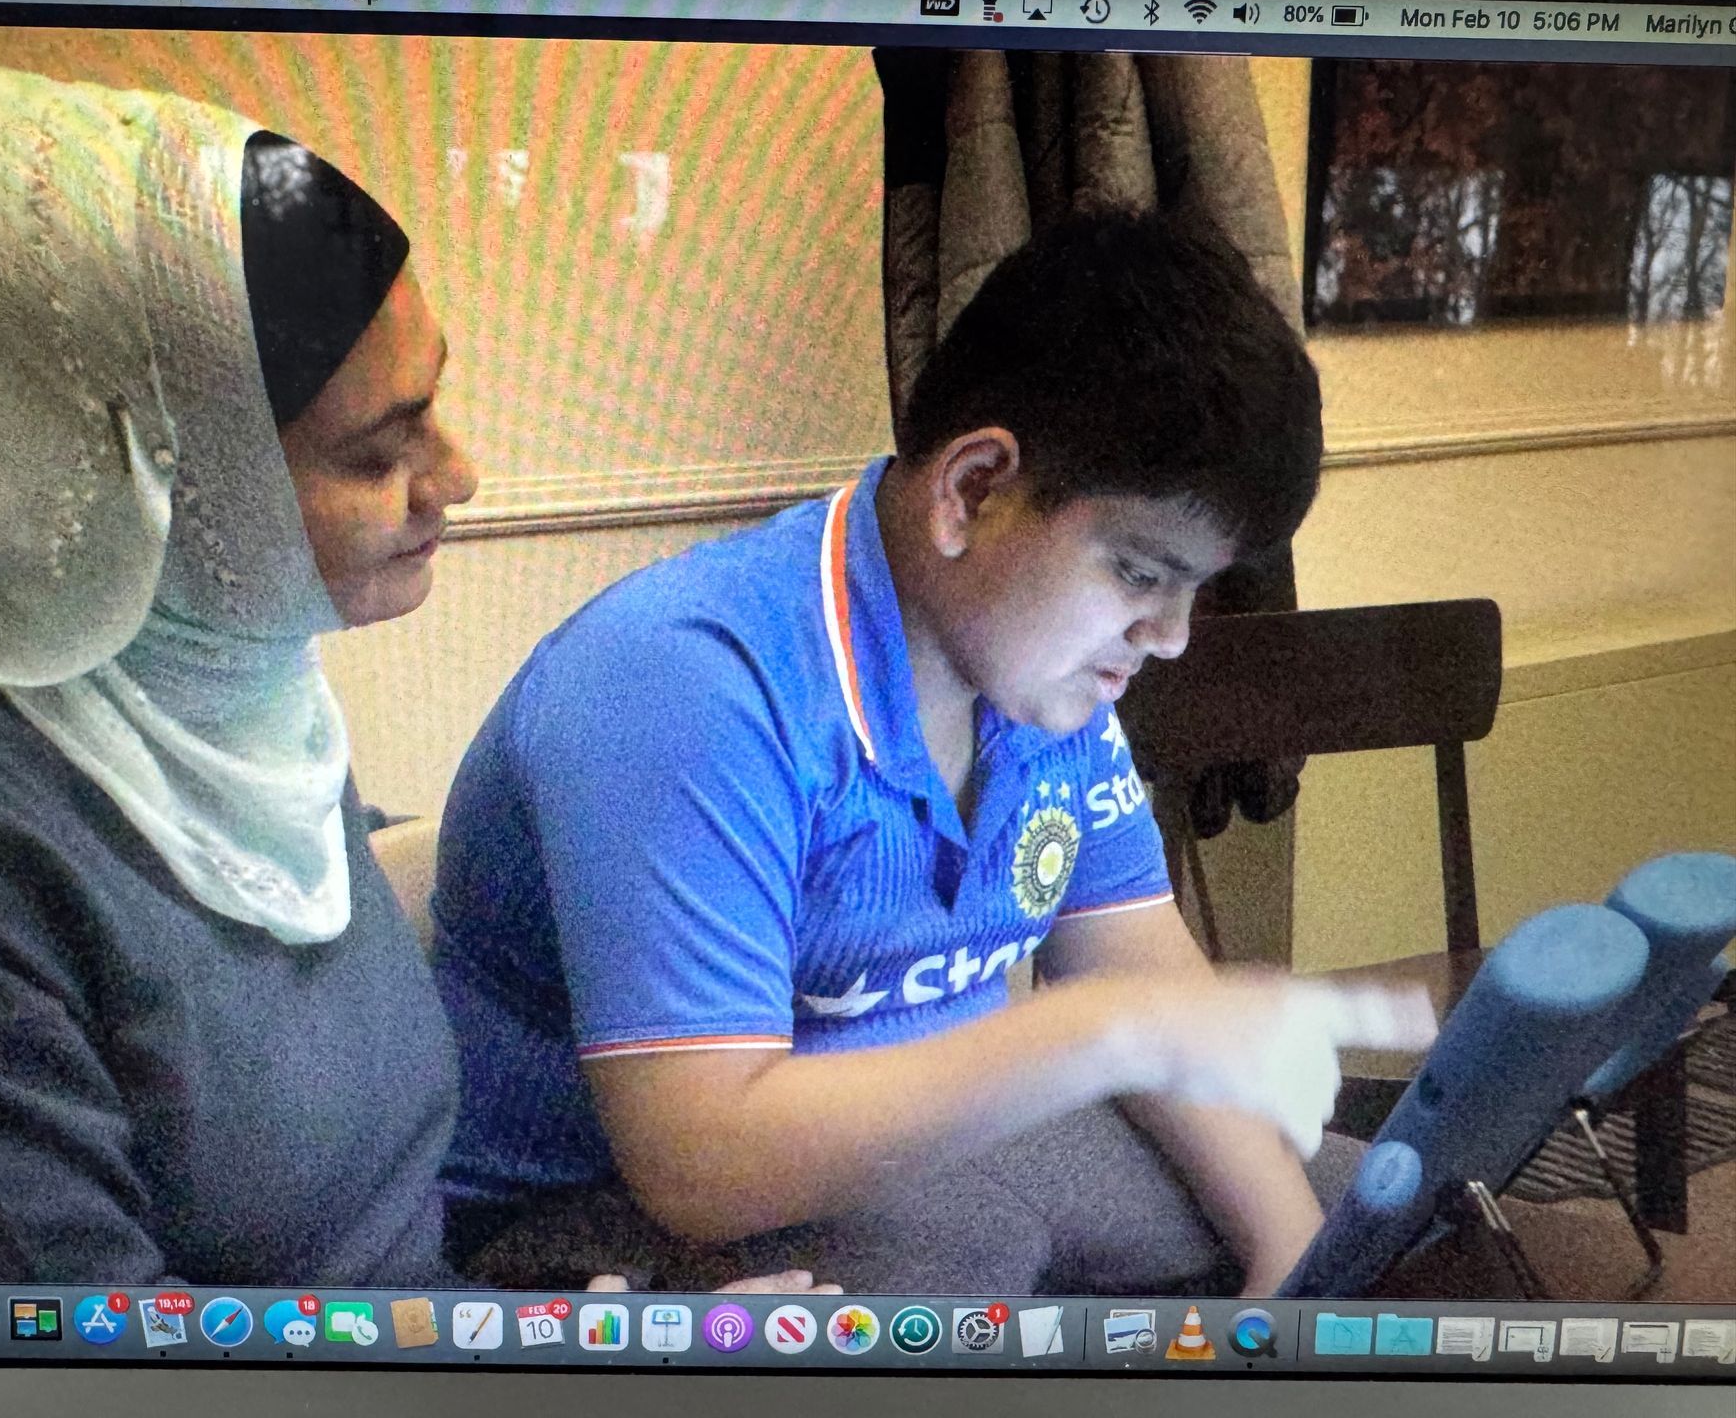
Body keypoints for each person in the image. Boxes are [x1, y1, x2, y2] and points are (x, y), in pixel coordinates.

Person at [0, 61, 836, 1299]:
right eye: (376, 450)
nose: (458, 473)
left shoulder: (224, 682)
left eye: (435, 399)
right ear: (153, 485)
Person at [431, 211, 1439, 1296]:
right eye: (1145, 575)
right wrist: (1100, 1035)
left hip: (942, 1165)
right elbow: (702, 1166)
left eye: (1197, 587)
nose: (1173, 636)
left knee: (1409, 1219)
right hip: (602, 1230)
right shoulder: (687, 683)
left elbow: (1136, 965)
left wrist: (1291, 1261)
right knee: (966, 1259)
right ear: (972, 491)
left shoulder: (1038, 673)